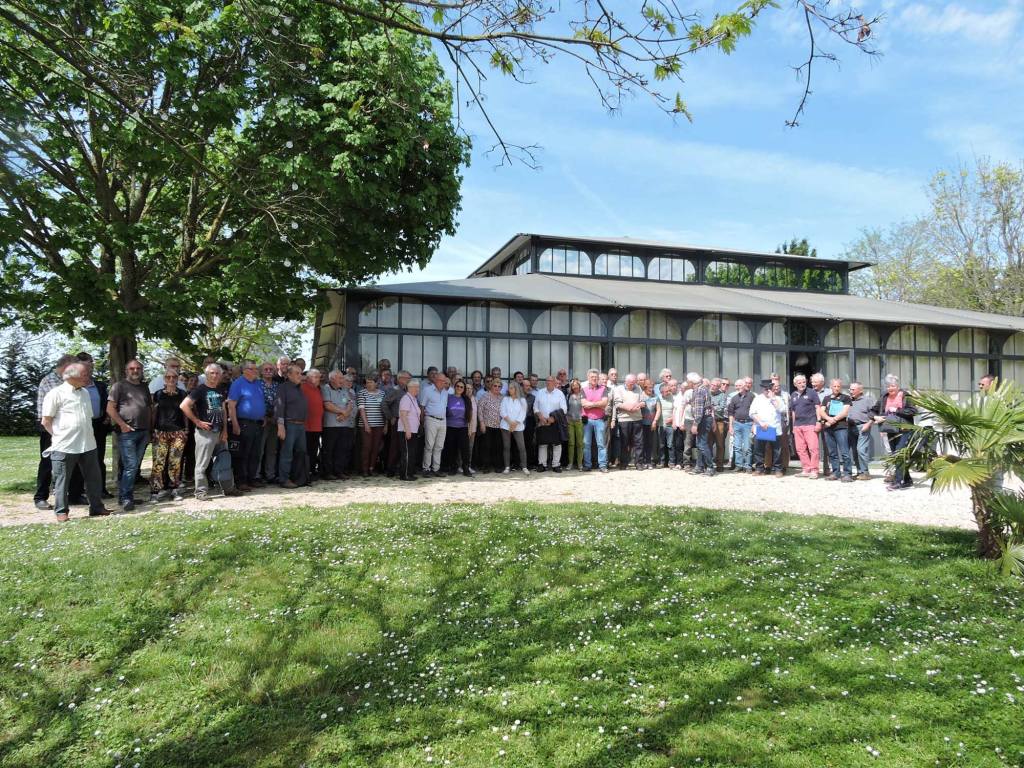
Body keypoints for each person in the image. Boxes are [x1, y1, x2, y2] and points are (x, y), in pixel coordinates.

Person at [40, 363, 112, 521]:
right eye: (84, 374)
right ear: (71, 376)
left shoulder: (85, 393)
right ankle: (61, 512)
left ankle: (97, 507)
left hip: (88, 443)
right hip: (65, 445)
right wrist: (58, 436)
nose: (88, 377)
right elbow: (46, 421)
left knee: (94, 478)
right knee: (62, 480)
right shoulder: (55, 394)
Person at [182, 363, 240, 499]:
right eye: (212, 373)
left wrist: (225, 430)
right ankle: (201, 492)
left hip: (220, 432)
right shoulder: (199, 390)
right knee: (202, 464)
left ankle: (229, 488)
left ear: (220, 375)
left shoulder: (220, 390)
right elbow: (184, 405)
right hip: (205, 433)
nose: (214, 376)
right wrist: (197, 421)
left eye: (217, 373)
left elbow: (223, 411)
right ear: (207, 374)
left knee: (225, 461)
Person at [33, 354, 81, 510]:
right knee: (48, 463)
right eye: (73, 366)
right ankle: (41, 497)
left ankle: (74, 495)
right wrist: (55, 432)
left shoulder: (72, 382)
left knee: (74, 461)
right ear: (66, 365)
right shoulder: (49, 381)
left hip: (71, 430)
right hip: (51, 429)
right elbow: (48, 412)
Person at [106, 359, 152, 512]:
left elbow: (149, 408)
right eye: (132, 368)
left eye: (138, 368)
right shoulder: (119, 386)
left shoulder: (144, 387)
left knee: (134, 466)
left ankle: (125, 495)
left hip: (144, 431)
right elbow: (110, 409)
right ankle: (126, 497)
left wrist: (151, 430)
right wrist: (123, 425)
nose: (135, 371)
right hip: (127, 433)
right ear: (126, 371)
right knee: (130, 466)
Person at [67, 352, 112, 503]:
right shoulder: (73, 387)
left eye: (90, 364)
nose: (88, 367)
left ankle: (101, 489)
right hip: (80, 426)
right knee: (79, 459)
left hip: (98, 425)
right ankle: (77, 492)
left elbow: (106, 403)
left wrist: (107, 417)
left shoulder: (99, 385)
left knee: (98, 458)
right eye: (85, 364)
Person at [870, 374, 917, 491]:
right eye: (888, 386)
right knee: (896, 455)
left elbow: (913, 411)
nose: (890, 388)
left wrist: (897, 410)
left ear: (897, 386)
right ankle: (907, 480)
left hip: (904, 429)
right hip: (890, 430)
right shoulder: (884, 397)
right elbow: (872, 411)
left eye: (892, 386)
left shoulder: (906, 396)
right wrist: (876, 417)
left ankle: (898, 481)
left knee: (899, 454)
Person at [226, 360, 266, 491]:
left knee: (255, 453)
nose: (256, 371)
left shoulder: (258, 383)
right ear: (245, 370)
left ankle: (251, 478)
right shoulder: (238, 384)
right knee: (243, 453)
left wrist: (263, 415)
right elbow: (231, 406)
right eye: (253, 369)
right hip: (243, 423)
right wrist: (235, 425)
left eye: (256, 369)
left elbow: (259, 401)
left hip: (257, 424)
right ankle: (241, 480)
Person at [150, 369, 187, 502]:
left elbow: (185, 412)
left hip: (178, 432)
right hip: (160, 432)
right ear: (164, 379)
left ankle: (174, 489)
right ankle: (155, 491)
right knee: (158, 462)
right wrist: (152, 429)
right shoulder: (158, 394)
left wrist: (186, 429)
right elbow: (153, 412)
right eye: (168, 377)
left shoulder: (182, 394)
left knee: (175, 462)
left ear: (177, 379)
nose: (171, 379)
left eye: (174, 377)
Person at [273, 364, 307, 489]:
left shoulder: (300, 388)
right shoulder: (283, 388)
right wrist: (281, 426)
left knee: (301, 452)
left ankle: (298, 477)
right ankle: (284, 479)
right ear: (289, 375)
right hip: (289, 425)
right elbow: (279, 406)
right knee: (287, 453)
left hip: (300, 426)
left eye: (301, 373)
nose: (300, 376)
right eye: (297, 373)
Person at [321, 371, 356, 481]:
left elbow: (350, 404)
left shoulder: (344, 389)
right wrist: (343, 412)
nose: (342, 380)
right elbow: (327, 405)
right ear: (332, 379)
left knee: (341, 449)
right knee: (329, 449)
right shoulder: (325, 388)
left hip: (344, 424)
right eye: (340, 378)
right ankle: (328, 472)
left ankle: (339, 471)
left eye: (342, 378)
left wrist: (345, 414)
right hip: (330, 425)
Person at [818, 378, 854, 482]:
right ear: (831, 387)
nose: (836, 388)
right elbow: (821, 411)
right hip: (828, 428)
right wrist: (828, 419)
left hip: (841, 427)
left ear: (841, 387)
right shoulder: (826, 398)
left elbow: (845, 412)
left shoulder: (846, 398)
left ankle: (847, 474)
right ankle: (835, 473)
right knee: (832, 452)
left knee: (845, 452)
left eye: (838, 386)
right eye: (834, 386)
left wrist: (833, 419)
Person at [750, 379, 784, 477]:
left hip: (774, 427)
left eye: (769, 388)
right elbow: (752, 413)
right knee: (759, 450)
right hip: (761, 427)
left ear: (772, 388)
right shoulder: (758, 399)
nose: (767, 390)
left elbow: (782, 410)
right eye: (765, 389)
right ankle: (759, 468)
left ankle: (778, 469)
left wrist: (773, 399)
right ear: (762, 389)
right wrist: (760, 422)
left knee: (777, 450)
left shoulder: (778, 398)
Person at [790, 374, 821, 478]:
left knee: (813, 448)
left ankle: (814, 470)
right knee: (800, 449)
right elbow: (793, 411)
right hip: (798, 425)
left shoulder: (812, 392)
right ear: (795, 384)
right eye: (799, 382)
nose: (802, 384)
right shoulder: (793, 395)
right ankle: (806, 469)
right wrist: (793, 426)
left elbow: (818, 407)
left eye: (803, 382)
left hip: (810, 423)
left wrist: (819, 421)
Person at [420, 373, 450, 478]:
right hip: (431, 419)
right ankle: (426, 468)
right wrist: (422, 422)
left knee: (439, 446)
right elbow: (422, 407)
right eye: (443, 381)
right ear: (437, 380)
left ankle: (436, 469)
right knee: (429, 445)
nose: (445, 383)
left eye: (445, 382)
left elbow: (444, 408)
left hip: (443, 421)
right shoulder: (427, 390)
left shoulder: (446, 393)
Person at [534, 375, 567, 472]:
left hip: (555, 422)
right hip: (542, 421)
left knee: (556, 445)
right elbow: (535, 407)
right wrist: (540, 416)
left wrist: (553, 418)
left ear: (554, 382)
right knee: (542, 444)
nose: (549, 382)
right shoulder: (540, 392)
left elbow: (564, 409)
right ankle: (542, 465)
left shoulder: (559, 393)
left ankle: (556, 465)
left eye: (551, 381)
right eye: (547, 381)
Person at [442, 379, 474, 477]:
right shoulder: (449, 397)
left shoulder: (466, 399)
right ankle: (453, 468)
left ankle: (466, 468)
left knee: (465, 449)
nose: (459, 388)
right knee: (452, 449)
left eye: (461, 387)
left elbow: (470, 415)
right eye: (457, 386)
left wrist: (469, 429)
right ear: (454, 387)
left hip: (463, 427)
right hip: (450, 426)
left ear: (464, 389)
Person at [612, 373, 644, 470]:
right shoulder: (619, 389)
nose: (632, 385)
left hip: (637, 419)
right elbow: (617, 404)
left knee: (639, 442)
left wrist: (638, 406)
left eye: (634, 383)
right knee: (624, 442)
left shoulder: (638, 388)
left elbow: (643, 402)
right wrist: (628, 408)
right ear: (625, 382)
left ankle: (639, 463)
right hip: (624, 419)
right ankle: (624, 463)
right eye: (630, 383)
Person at [383, 370, 412, 477]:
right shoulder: (394, 390)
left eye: (409, 378)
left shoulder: (408, 391)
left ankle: (401, 468)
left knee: (403, 447)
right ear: (400, 379)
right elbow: (384, 404)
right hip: (397, 422)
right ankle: (390, 470)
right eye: (407, 378)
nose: (409, 380)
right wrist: (390, 417)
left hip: (407, 422)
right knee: (394, 447)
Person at [357, 373, 386, 477]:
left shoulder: (382, 394)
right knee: (367, 447)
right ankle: (364, 469)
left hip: (379, 424)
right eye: (367, 382)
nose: (369, 384)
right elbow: (361, 409)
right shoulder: (362, 393)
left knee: (376, 447)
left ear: (376, 383)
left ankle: (371, 468)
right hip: (366, 425)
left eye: (371, 382)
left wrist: (386, 425)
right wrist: (366, 424)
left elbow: (385, 410)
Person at [581, 369, 609, 473]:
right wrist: (598, 403)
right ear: (588, 378)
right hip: (587, 420)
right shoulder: (583, 389)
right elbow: (584, 404)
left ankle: (602, 465)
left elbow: (604, 403)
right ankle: (587, 465)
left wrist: (591, 404)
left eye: (596, 377)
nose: (594, 379)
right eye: (592, 377)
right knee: (586, 444)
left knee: (601, 444)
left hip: (599, 420)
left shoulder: (603, 389)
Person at [847, 381, 876, 479]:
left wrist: (869, 424)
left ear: (860, 390)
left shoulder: (867, 400)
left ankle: (865, 472)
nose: (851, 391)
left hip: (862, 427)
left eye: (853, 389)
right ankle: (860, 472)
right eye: (850, 389)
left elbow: (874, 413)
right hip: (850, 427)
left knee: (861, 449)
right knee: (855, 451)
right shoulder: (848, 400)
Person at [688, 372, 715, 476]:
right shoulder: (703, 389)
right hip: (705, 419)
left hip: (703, 419)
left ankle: (710, 467)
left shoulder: (699, 391)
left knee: (702, 444)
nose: (688, 383)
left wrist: (695, 424)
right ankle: (699, 466)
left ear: (692, 382)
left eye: (688, 381)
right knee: (700, 444)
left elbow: (699, 410)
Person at [500, 381, 529, 474]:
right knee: (506, 446)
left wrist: (514, 424)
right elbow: (502, 412)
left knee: (521, 447)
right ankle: (507, 467)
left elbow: (523, 414)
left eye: (512, 388)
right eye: (509, 388)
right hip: (505, 426)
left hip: (518, 426)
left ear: (516, 389)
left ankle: (524, 466)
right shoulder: (505, 399)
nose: (510, 389)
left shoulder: (522, 400)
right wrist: (510, 423)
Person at [258, 362, 280, 483]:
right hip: (263, 421)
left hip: (275, 421)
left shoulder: (277, 385)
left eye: (271, 369)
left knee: (272, 450)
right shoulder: (257, 384)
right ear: (261, 371)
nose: (268, 371)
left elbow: (280, 403)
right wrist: (265, 416)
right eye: (265, 369)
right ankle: (256, 475)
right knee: (260, 450)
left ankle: (270, 475)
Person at [301, 369, 325, 480]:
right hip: (306, 426)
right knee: (305, 450)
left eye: (318, 377)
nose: (318, 379)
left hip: (317, 426)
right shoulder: (302, 387)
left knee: (313, 450)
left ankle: (311, 471)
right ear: (308, 377)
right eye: (315, 376)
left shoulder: (318, 389)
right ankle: (304, 473)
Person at [727, 377, 754, 472]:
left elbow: (755, 412)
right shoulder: (734, 398)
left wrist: (754, 425)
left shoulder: (751, 397)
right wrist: (731, 426)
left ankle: (748, 466)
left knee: (747, 447)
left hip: (748, 423)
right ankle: (738, 465)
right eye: (736, 386)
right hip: (737, 423)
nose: (738, 388)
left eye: (739, 386)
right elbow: (730, 413)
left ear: (744, 386)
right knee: (737, 446)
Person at [477, 378, 504, 472]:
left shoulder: (502, 397)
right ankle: (486, 466)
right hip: (487, 425)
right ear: (491, 386)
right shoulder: (485, 396)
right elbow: (479, 410)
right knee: (486, 446)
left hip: (499, 426)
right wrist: (481, 423)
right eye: (495, 385)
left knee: (498, 446)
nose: (497, 387)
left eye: (499, 386)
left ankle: (498, 466)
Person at [397, 380, 422, 481]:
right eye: (416, 387)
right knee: (407, 453)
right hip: (406, 430)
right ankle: (405, 475)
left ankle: (410, 473)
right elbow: (403, 415)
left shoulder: (413, 399)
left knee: (411, 453)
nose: (418, 389)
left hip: (413, 430)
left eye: (418, 387)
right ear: (410, 388)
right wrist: (407, 430)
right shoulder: (406, 399)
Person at [810, 372, 830, 477]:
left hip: (826, 421)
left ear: (822, 382)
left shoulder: (829, 392)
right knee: (813, 446)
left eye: (815, 382)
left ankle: (827, 468)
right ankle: (813, 468)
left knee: (827, 445)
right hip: (812, 421)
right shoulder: (809, 392)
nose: (813, 384)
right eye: (812, 382)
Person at [656, 378, 677, 468]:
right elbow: (656, 411)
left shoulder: (673, 398)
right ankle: (662, 461)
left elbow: (675, 410)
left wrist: (673, 418)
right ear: (661, 392)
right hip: (660, 425)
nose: (669, 392)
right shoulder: (658, 399)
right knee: (661, 444)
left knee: (670, 444)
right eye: (667, 391)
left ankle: (671, 462)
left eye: (669, 390)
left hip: (670, 425)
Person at [640, 379, 661, 470]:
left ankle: (649, 461)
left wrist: (655, 421)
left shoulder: (655, 396)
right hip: (641, 423)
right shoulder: (641, 396)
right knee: (641, 443)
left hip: (651, 423)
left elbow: (658, 409)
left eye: (652, 388)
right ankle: (642, 461)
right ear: (645, 388)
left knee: (650, 443)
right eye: (649, 388)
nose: (651, 390)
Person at [710, 379, 729, 472]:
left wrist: (711, 408)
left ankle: (720, 464)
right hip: (708, 421)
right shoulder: (707, 394)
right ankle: (708, 464)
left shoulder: (722, 396)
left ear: (718, 387)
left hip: (719, 422)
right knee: (708, 443)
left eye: (715, 385)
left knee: (720, 444)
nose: (712, 387)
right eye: (712, 384)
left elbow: (721, 408)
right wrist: (713, 407)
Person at [566, 378, 584, 471]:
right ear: (571, 387)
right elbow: (566, 408)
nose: (575, 386)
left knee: (580, 443)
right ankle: (570, 463)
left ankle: (580, 464)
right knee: (571, 443)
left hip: (580, 421)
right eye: (573, 385)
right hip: (570, 421)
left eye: (576, 385)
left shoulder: (583, 395)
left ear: (579, 386)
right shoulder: (568, 395)